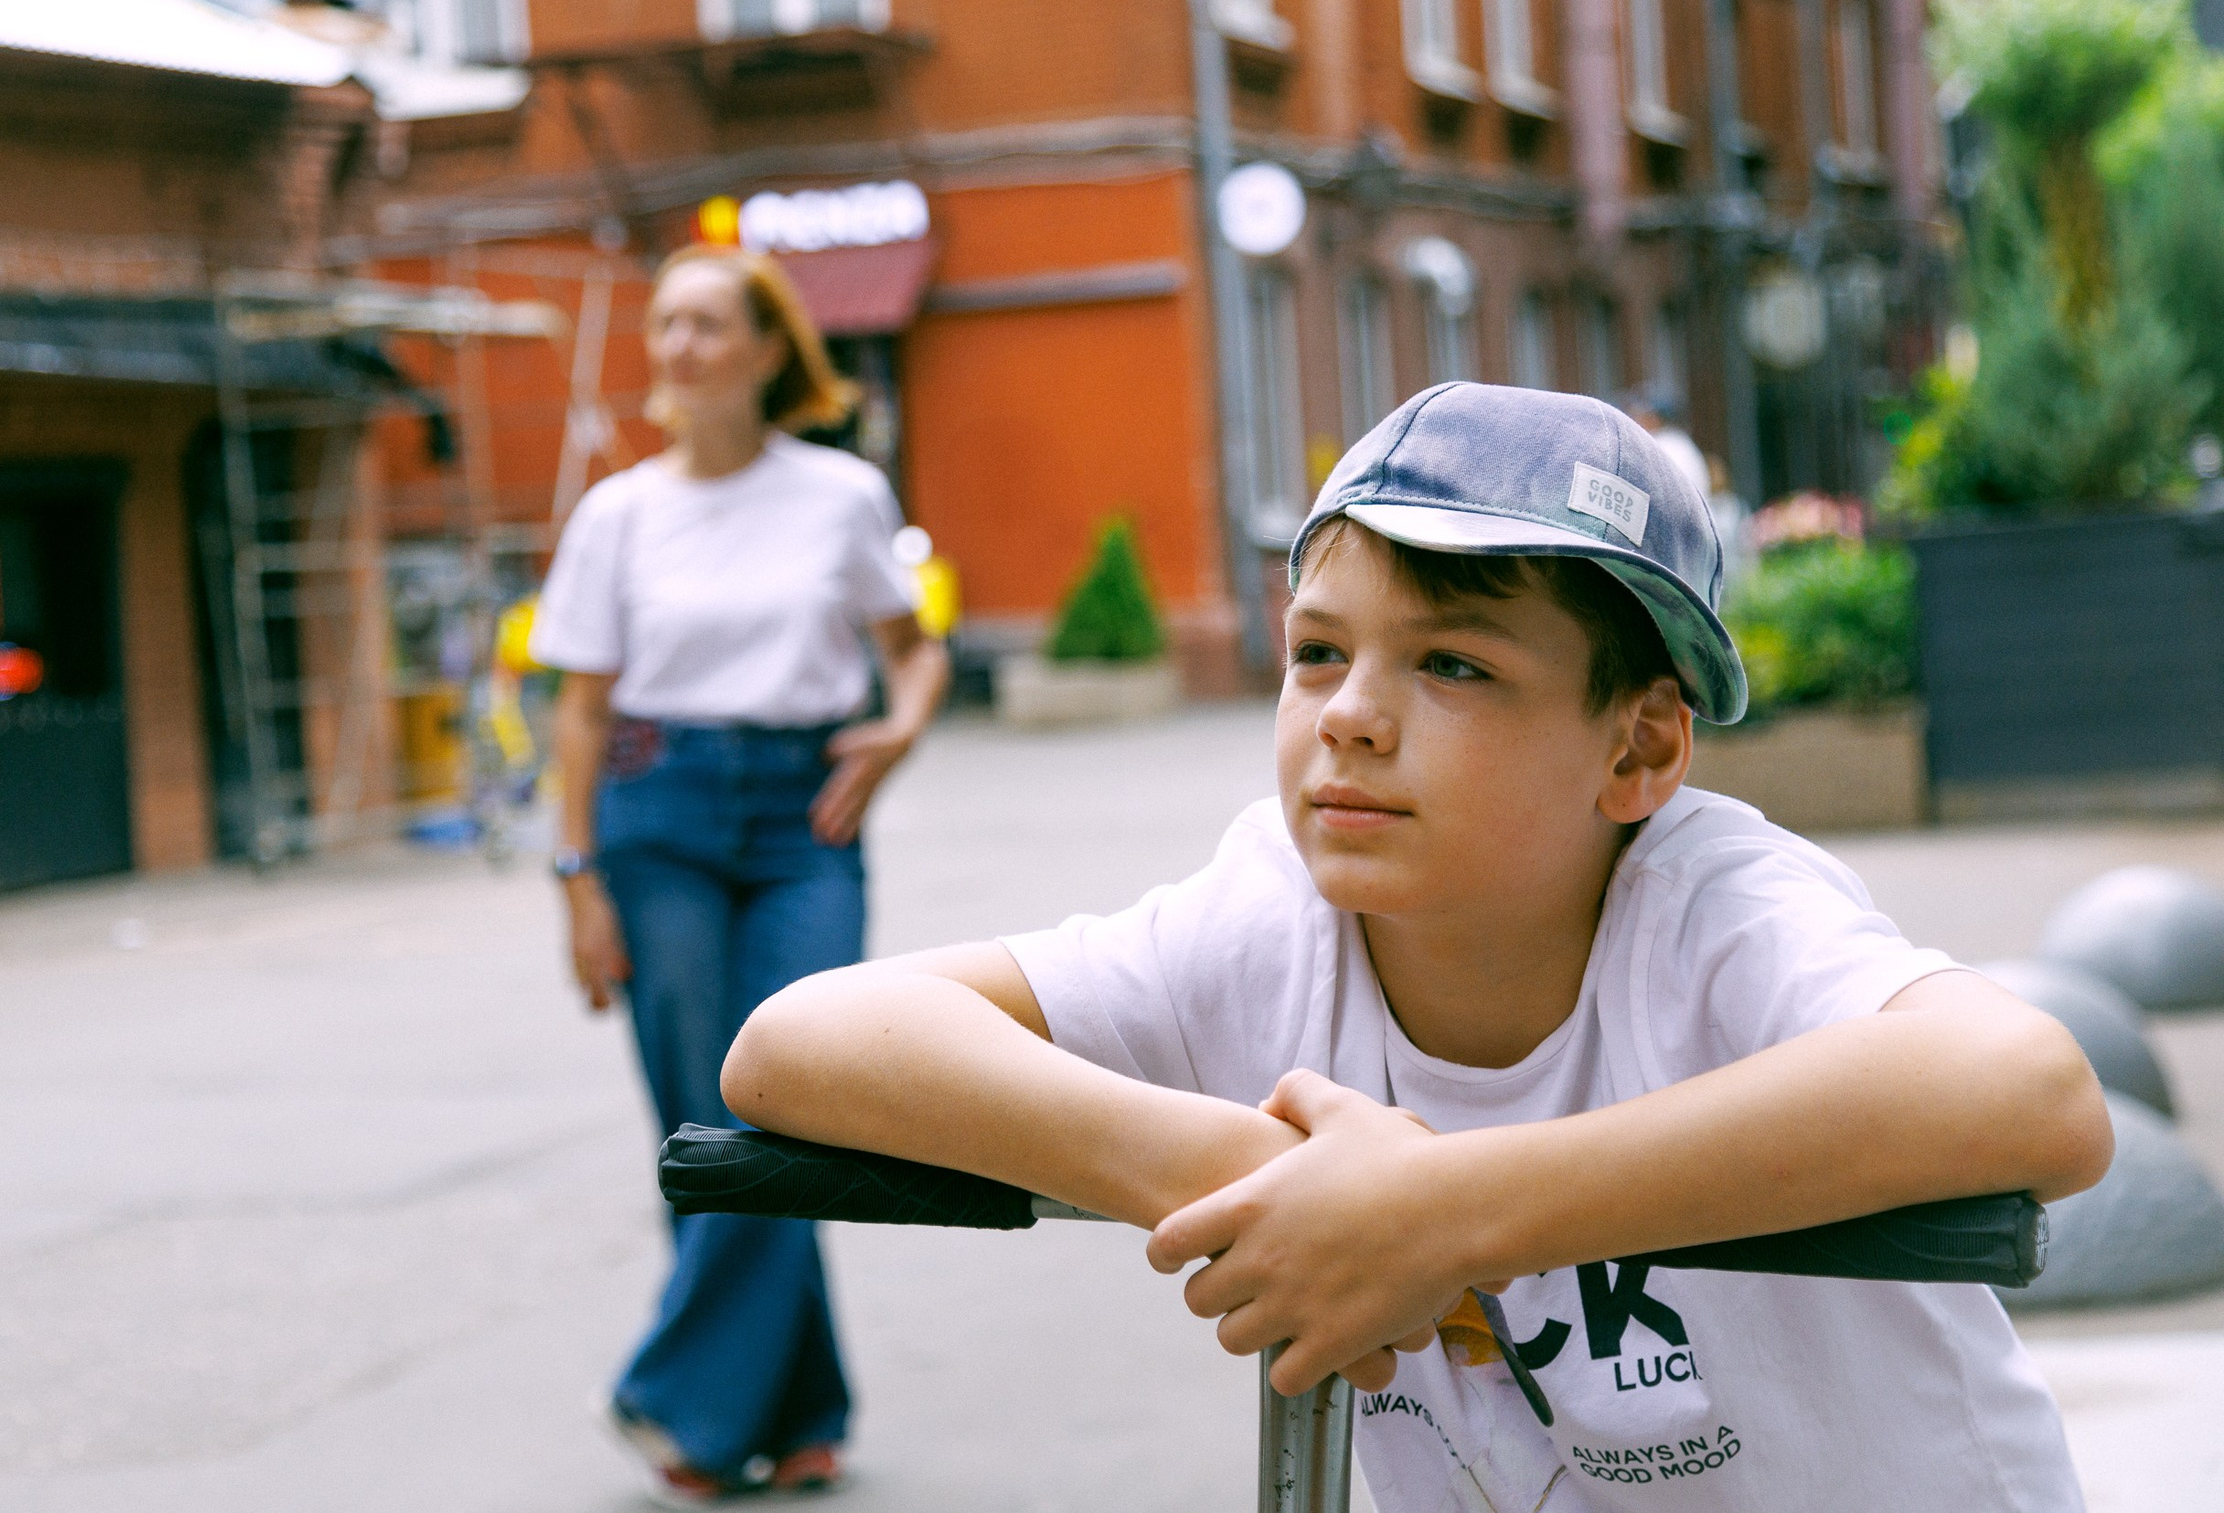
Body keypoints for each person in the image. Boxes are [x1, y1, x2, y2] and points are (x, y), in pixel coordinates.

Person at [723, 384, 2108, 1509]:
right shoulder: (1276, 914)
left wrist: (1445, 1208)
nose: (1352, 714)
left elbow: (2031, 1091)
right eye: (1318, 651)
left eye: (1454, 663)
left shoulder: (1713, 906)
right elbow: (799, 1044)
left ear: (1637, 746)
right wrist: (1242, 1174)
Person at [530, 242, 949, 1505]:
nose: (681, 347)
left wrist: (902, 727)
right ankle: (795, 1410)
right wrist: (576, 880)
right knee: (702, 1115)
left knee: (797, 1100)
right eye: (666, 325)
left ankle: (683, 1400)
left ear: (770, 349)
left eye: (710, 324)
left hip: (797, 819)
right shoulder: (618, 513)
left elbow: (912, 650)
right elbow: (577, 716)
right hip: (652, 816)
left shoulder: (839, 495)